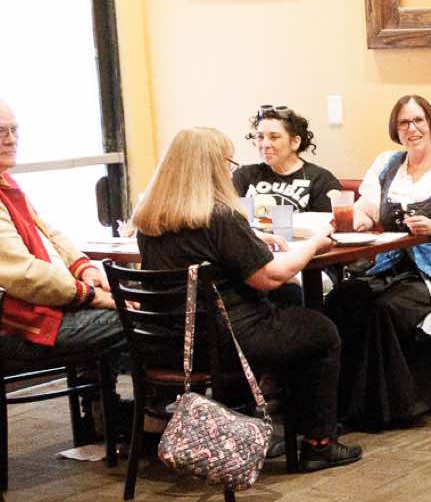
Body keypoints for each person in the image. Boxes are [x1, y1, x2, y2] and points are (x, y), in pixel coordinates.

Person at [133, 128, 362, 472]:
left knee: (289, 304)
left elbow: (210, 250)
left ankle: (256, 424)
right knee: (319, 330)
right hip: (228, 342)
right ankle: (319, 443)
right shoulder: (221, 218)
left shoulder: (149, 222)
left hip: (170, 344)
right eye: (228, 163)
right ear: (213, 167)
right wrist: (314, 244)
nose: (231, 171)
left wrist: (252, 238)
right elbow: (270, 276)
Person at [0, 96, 125, 369]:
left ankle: (106, 395)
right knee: (145, 318)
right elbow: (23, 274)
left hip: (42, 310)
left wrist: (84, 268)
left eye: (14, 130)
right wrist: (91, 295)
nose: (11, 140)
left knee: (144, 307)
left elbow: (48, 233)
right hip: (14, 328)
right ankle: (148, 395)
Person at [326, 95, 431, 430]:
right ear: (395, 129)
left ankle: (387, 408)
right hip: (389, 264)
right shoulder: (387, 164)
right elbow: (366, 211)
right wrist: (355, 221)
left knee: (385, 307)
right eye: (404, 123)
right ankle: (340, 405)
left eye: (418, 121)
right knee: (343, 298)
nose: (412, 129)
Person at [231, 104, 341, 215]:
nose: (265, 144)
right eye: (260, 137)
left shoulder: (321, 180)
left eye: (274, 137)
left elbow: (326, 223)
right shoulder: (243, 175)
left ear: (295, 142)